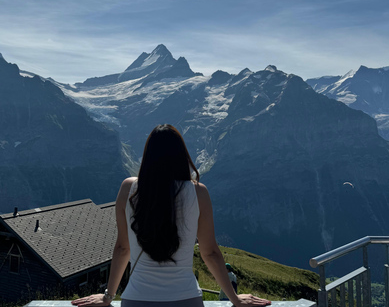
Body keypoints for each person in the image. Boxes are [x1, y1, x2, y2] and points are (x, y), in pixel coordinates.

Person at [72, 124, 271, 307]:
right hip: (186, 298)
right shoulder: (198, 192)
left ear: (148, 156)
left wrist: (108, 296)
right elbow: (209, 252)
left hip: (137, 299)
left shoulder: (128, 189)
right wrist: (234, 299)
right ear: (181, 155)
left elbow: (123, 248)